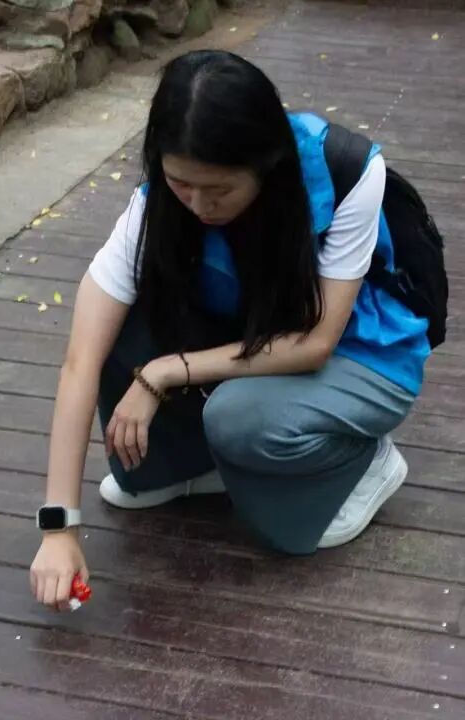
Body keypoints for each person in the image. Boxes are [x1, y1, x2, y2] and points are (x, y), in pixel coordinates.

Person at [30, 50, 431, 610]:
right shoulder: (155, 207)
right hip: (254, 333)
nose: (198, 205)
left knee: (258, 466)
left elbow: (317, 342)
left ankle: (366, 461)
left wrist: (165, 372)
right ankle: (191, 466)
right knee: (111, 328)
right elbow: (80, 361)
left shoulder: (345, 171)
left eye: (218, 190)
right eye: (180, 183)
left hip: (360, 354)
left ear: (266, 165)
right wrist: (59, 528)